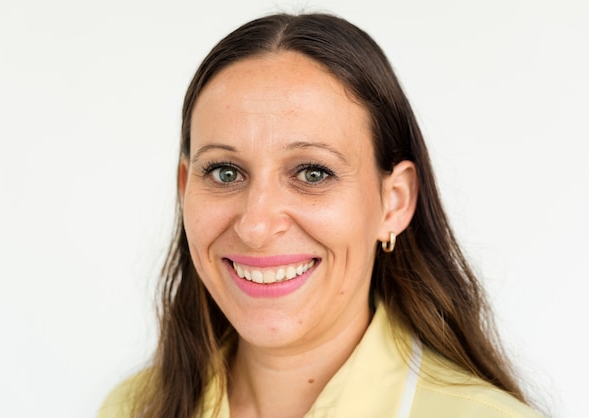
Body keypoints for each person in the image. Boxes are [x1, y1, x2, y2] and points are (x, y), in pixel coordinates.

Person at [99, 13, 543, 418]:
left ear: (394, 202)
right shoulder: (130, 409)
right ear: (185, 189)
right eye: (224, 171)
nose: (256, 226)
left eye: (312, 173)